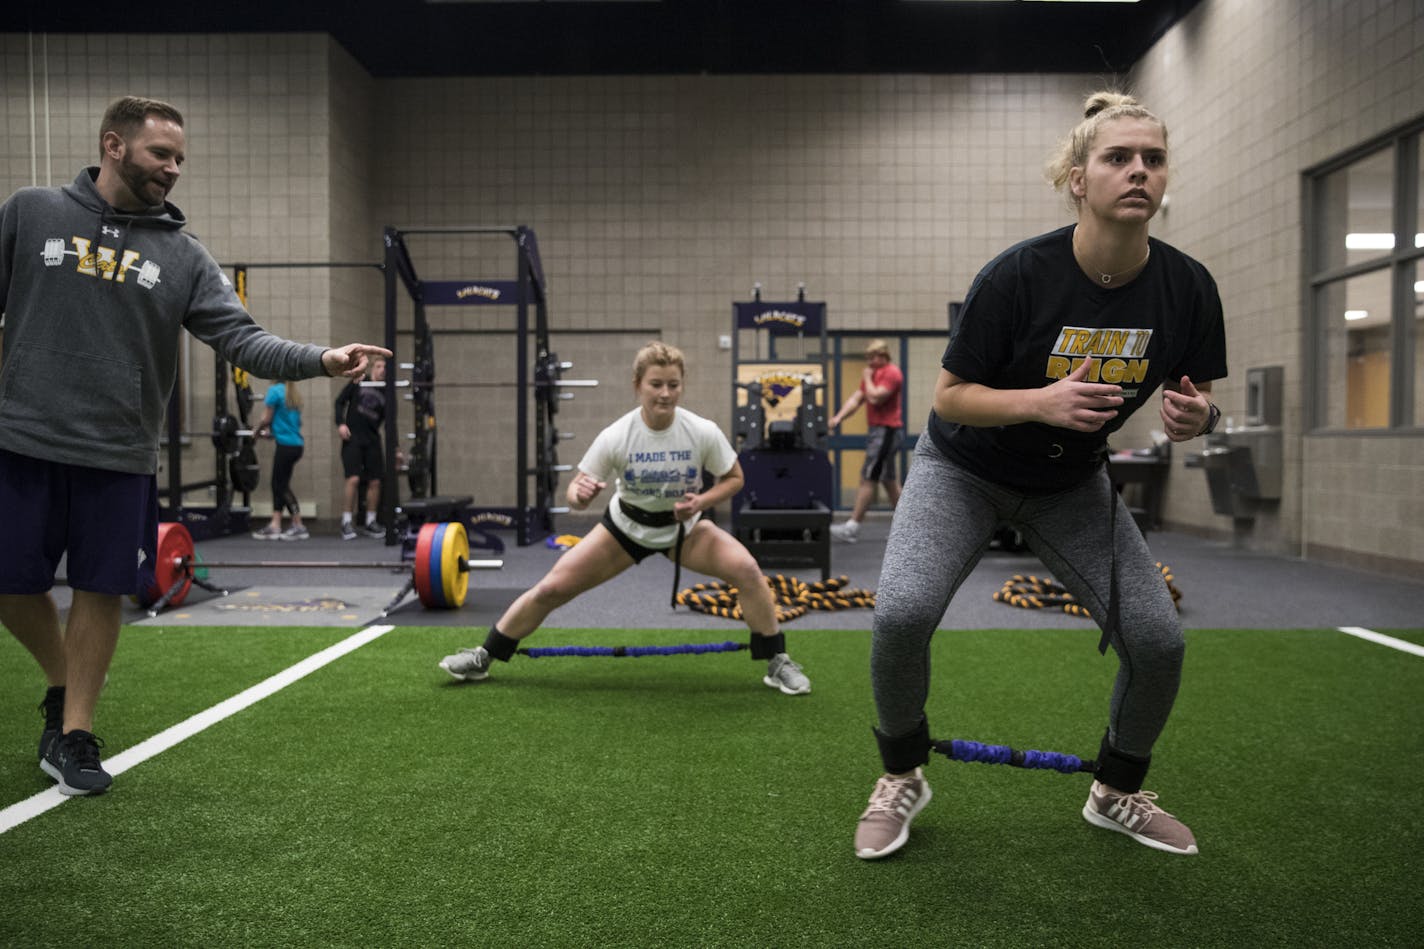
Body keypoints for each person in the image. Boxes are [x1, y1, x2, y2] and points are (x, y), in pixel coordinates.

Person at [852, 92, 1226, 860]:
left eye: (1152, 159)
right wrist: (1043, 401)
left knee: (1158, 642)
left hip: (1072, 485)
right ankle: (901, 774)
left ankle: (1116, 787)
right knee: (900, 615)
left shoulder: (1188, 287)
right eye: (1117, 158)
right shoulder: (1019, 275)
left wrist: (1201, 420)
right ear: (1078, 180)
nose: (1138, 172)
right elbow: (949, 396)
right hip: (963, 468)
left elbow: (1199, 397)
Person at [0, 95, 391, 796]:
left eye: (180, 158)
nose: (174, 169)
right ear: (113, 145)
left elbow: (242, 339)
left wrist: (322, 358)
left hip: (118, 452)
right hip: (22, 438)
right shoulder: (32, 213)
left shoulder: (181, 257)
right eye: (161, 154)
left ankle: (78, 731)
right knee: (10, 585)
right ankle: (62, 685)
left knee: (101, 588)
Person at [439, 340, 811, 696]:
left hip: (684, 530)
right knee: (552, 589)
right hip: (623, 531)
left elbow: (734, 479)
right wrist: (580, 495)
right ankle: (484, 655)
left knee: (747, 570)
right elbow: (575, 497)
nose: (665, 393)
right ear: (637, 386)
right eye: (656, 384)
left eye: (673, 384)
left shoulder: (701, 431)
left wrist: (700, 503)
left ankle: (777, 661)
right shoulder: (616, 435)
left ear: (682, 386)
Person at [827, 338, 904, 543]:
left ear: (883, 356)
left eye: (872, 357)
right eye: (868, 358)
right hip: (878, 432)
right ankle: (908, 528)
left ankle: (852, 527)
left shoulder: (892, 373)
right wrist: (838, 418)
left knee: (868, 478)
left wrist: (868, 378)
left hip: (886, 432)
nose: (869, 362)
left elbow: (875, 397)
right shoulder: (873, 374)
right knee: (889, 482)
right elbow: (856, 399)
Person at [334, 355, 387, 540]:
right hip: (353, 439)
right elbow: (339, 402)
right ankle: (346, 522)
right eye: (379, 366)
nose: (382, 370)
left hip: (372, 440)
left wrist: (395, 448)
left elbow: (390, 423)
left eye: (385, 367)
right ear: (372, 368)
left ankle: (370, 521)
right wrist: (340, 424)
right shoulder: (359, 382)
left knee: (375, 482)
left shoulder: (386, 391)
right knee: (354, 479)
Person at [252, 379, 309, 541]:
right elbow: (289, 423)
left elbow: (266, 419)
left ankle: (298, 525)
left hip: (285, 446)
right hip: (295, 445)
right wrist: (271, 433)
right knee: (280, 484)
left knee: (279, 485)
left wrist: (255, 433)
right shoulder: (292, 393)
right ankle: (275, 524)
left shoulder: (275, 391)